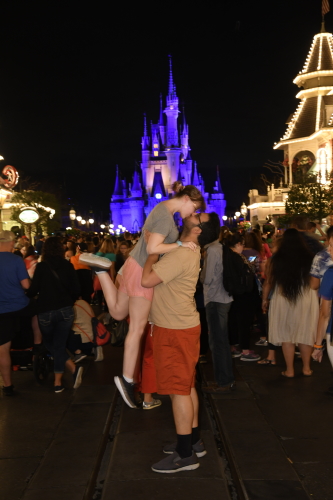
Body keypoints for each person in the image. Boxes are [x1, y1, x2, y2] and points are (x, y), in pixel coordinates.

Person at [80, 185, 205, 408]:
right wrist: (179, 243)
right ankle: (127, 379)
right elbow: (155, 247)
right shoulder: (166, 218)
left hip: (131, 266)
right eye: (194, 207)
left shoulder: (161, 210)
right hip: (141, 272)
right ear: (186, 198)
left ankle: (101, 271)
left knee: (118, 312)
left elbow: (151, 244)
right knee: (137, 327)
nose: (192, 213)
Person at [141, 211, 220, 473]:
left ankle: (185, 456)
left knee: (179, 391)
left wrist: (152, 252)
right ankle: (193, 441)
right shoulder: (185, 249)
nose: (196, 212)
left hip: (174, 328)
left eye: (200, 216)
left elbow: (147, 280)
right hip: (181, 324)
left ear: (197, 230)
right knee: (186, 386)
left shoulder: (183, 253)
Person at [27, 237, 82, 393]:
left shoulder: (42, 267)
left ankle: (69, 371)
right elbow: (77, 289)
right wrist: (68, 301)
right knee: (59, 344)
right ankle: (59, 380)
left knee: (52, 344)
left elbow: (33, 290)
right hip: (65, 310)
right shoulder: (68, 265)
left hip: (46, 310)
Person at [263, 229, 319, 377]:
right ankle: (306, 368)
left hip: (283, 297)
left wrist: (265, 299)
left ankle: (290, 370)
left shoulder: (276, 258)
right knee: (305, 331)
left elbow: (269, 280)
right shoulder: (310, 257)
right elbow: (315, 281)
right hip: (306, 297)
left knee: (286, 334)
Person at [0, 231, 35, 396]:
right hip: (18, 306)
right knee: (37, 311)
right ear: (11, 242)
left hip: (1, 311)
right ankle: (38, 341)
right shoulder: (15, 260)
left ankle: (7, 385)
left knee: (3, 349)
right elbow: (27, 285)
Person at [200, 233, 234, 393]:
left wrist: (199, 272)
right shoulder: (221, 247)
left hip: (215, 298)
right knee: (221, 341)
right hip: (224, 297)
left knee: (218, 342)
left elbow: (206, 279)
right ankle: (225, 379)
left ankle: (223, 381)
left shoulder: (212, 250)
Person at [226, 233, 261, 362]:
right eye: (242, 244)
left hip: (232, 293)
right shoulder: (237, 257)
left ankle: (233, 346)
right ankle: (245, 349)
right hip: (243, 293)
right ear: (238, 244)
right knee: (244, 322)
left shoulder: (225, 256)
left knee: (233, 320)